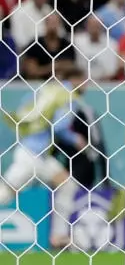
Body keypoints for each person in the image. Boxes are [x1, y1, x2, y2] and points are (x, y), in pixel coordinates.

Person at [0, 70, 89, 249]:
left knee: (67, 184)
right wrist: (76, 139)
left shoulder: (45, 91)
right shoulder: (67, 98)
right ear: (75, 79)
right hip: (31, 155)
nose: (87, 85)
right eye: (85, 80)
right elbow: (59, 126)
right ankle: (59, 235)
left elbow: (25, 107)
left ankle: (59, 236)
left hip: (36, 154)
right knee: (6, 192)